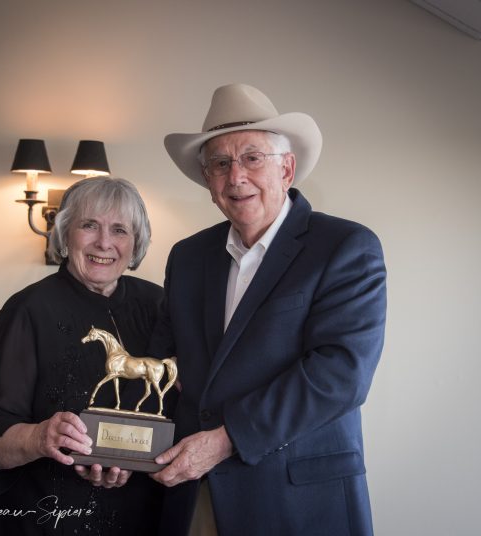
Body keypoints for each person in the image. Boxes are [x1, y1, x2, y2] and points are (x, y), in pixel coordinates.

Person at [149, 84, 387, 536]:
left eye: (252, 158)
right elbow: (162, 363)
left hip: (300, 503)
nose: (235, 176)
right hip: (194, 497)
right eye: (220, 163)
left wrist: (226, 440)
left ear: (287, 168)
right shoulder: (187, 256)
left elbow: (340, 375)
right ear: (207, 181)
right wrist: (119, 446)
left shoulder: (345, 247)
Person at [0, 177, 165, 535]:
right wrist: (40, 437)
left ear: (136, 243)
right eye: (89, 225)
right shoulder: (27, 310)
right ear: (64, 233)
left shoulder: (159, 306)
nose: (104, 242)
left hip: (140, 516)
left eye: (119, 230)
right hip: (43, 516)